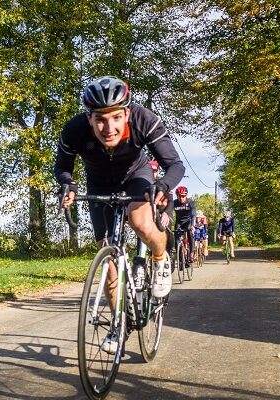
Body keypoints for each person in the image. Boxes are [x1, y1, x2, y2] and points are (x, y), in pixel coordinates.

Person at [55, 76, 185, 354]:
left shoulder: (144, 120)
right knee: (107, 258)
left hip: (136, 177)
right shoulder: (74, 130)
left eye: (116, 117)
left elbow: (174, 165)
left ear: (127, 113)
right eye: (100, 120)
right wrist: (68, 185)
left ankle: (161, 259)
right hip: (98, 184)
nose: (109, 128)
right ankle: (118, 325)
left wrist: (163, 186)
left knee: (141, 222)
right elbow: (62, 167)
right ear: (89, 119)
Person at [173, 186, 196, 263]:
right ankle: (179, 258)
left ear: (186, 195)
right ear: (177, 196)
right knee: (176, 239)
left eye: (183, 196)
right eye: (179, 196)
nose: (181, 198)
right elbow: (168, 212)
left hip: (188, 222)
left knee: (190, 232)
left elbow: (193, 214)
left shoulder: (190, 202)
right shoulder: (174, 203)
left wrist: (193, 225)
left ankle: (191, 253)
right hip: (179, 223)